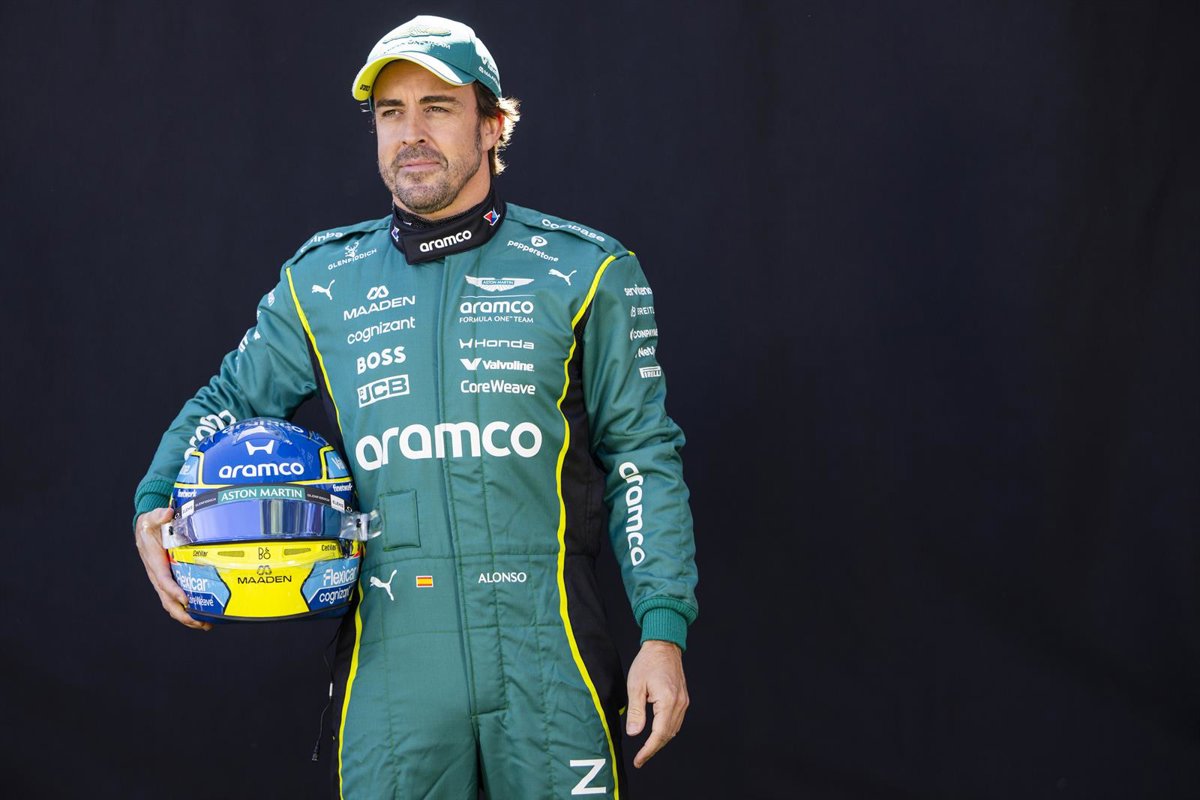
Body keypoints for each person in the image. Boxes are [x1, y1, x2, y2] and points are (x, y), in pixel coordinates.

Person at [132, 15, 698, 799]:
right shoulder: (321, 282)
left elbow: (643, 454)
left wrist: (663, 632)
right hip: (392, 663)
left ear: (493, 125)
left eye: (437, 107)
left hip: (550, 651)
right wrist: (156, 500)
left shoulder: (587, 271)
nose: (411, 134)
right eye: (391, 112)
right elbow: (229, 398)